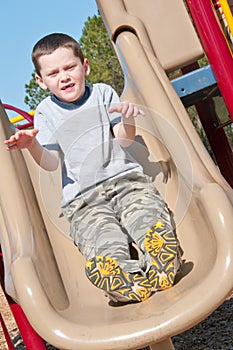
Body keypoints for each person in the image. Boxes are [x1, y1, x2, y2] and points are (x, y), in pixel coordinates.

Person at [5, 33, 180, 303]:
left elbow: (123, 139)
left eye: (69, 67)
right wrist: (32, 145)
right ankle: (120, 278)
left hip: (126, 182)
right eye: (53, 73)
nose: (63, 76)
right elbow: (52, 163)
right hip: (84, 200)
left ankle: (161, 260)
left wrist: (126, 118)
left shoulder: (102, 93)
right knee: (103, 238)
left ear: (84, 66)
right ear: (41, 81)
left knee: (146, 217)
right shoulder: (45, 112)